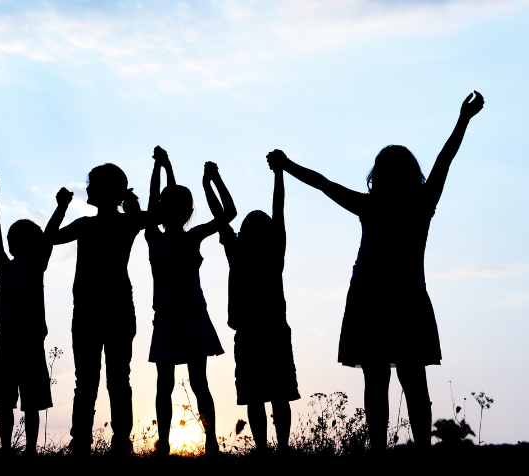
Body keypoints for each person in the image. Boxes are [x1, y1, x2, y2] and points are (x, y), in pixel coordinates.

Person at [266, 91, 485, 453]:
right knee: (412, 378)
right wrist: (463, 119)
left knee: (379, 378)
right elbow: (445, 159)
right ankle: (419, 453)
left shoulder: (373, 204)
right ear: (412, 174)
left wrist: (287, 165)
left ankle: (381, 455)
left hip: (371, 295)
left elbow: (323, 184)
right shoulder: (420, 202)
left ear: (378, 175)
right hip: (404, 295)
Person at [48, 163, 151, 455]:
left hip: (101, 309)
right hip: (100, 309)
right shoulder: (96, 224)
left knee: (97, 378)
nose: (88, 188)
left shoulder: (93, 224)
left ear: (106, 190)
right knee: (112, 377)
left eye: (92, 183)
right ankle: (104, 440)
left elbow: (49, 237)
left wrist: (61, 207)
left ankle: (93, 440)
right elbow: (50, 238)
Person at [146, 147, 235, 456]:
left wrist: (215, 180)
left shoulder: (191, 236)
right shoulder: (152, 236)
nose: (164, 209)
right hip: (168, 319)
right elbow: (156, 197)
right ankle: (166, 445)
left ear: (183, 212)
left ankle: (210, 443)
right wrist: (162, 166)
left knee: (198, 382)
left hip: (192, 317)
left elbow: (229, 214)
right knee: (165, 385)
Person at [0, 174, 70, 456]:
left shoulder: (37, 266)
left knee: (31, 401)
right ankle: (8, 448)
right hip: (8, 337)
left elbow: (49, 234)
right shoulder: (4, 266)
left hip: (31, 338)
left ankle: (31, 450)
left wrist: (61, 206)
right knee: (6, 400)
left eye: (22, 240)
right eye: (14, 240)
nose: (15, 244)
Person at [219, 158, 300, 452]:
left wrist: (279, 175)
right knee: (265, 395)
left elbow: (278, 211)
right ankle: (271, 450)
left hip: (268, 332)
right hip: (259, 332)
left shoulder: (260, 254)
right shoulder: (242, 254)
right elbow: (223, 216)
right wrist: (212, 180)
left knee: (271, 395)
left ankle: (275, 450)